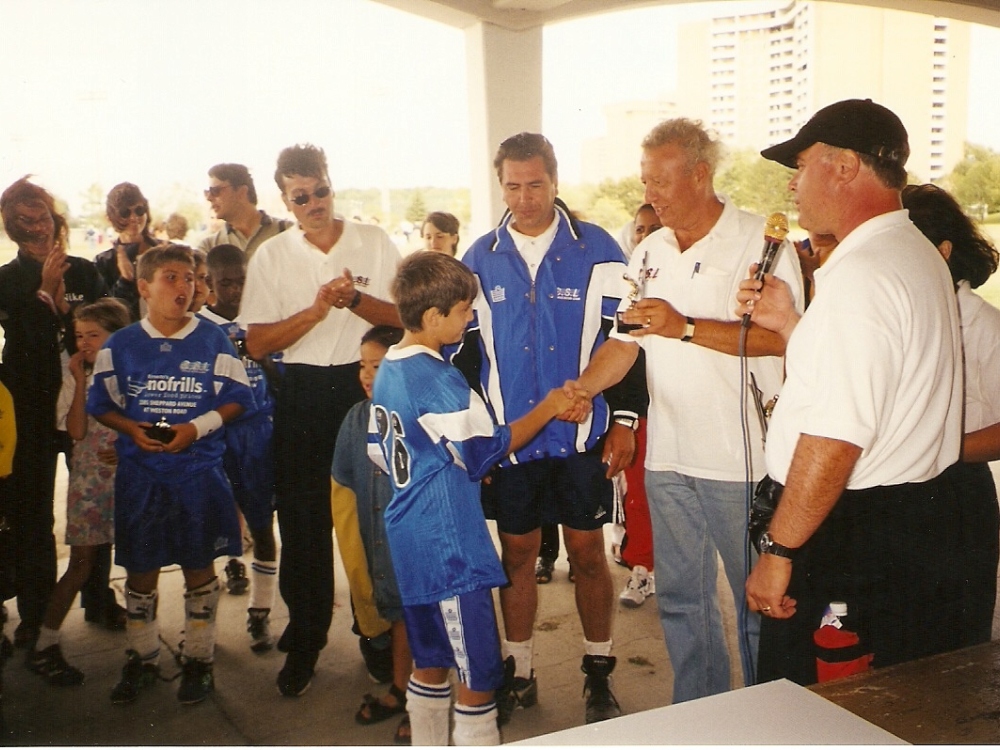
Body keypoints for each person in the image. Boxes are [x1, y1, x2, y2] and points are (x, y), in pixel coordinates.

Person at [570, 119, 803, 703]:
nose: (650, 194)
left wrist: (686, 327)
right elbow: (625, 342)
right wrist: (583, 389)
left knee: (755, 604)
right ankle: (698, 716)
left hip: (740, 462)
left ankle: (764, 719)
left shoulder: (759, 242)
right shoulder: (649, 249)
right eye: (645, 181)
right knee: (680, 602)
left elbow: (782, 340)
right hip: (667, 458)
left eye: (661, 181)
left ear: (700, 175)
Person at [736, 99, 964, 686]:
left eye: (801, 165)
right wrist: (792, 326)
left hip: (849, 536)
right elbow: (872, 383)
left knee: (810, 706)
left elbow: (836, 437)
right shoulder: (910, 252)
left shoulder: (863, 275)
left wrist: (779, 552)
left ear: (843, 167)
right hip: (901, 523)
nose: (793, 184)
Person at [457, 132, 644, 724]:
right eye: (512, 186)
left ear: (555, 181)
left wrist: (625, 419)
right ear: (500, 186)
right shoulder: (479, 258)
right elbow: (463, 356)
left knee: (588, 553)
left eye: (535, 184)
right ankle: (520, 670)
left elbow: (628, 338)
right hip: (512, 441)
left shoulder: (600, 250)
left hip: (581, 438)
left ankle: (598, 670)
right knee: (517, 554)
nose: (524, 198)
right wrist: (476, 440)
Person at [370, 251, 582, 745]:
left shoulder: (388, 368)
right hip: (449, 547)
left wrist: (447, 464)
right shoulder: (438, 377)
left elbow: (382, 453)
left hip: (409, 535)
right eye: (465, 310)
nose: (470, 318)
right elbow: (487, 450)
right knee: (479, 674)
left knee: (430, 661)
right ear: (433, 317)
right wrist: (549, 406)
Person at [238, 143, 402, 697]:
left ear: (332, 185)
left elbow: (404, 318)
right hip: (303, 393)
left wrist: (354, 300)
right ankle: (306, 637)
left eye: (320, 191)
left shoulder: (373, 240)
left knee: (371, 521)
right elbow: (257, 342)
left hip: (365, 388)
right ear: (285, 201)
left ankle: (376, 635)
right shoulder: (272, 255)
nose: (314, 204)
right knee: (304, 524)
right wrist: (314, 311)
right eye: (300, 197)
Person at [87, 244, 256, 705]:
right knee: (141, 570)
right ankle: (141, 657)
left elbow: (239, 399)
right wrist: (132, 430)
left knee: (198, 565)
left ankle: (199, 659)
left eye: (190, 278)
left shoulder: (212, 339)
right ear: (144, 287)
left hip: (197, 473)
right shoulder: (121, 345)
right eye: (171, 277)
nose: (184, 287)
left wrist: (194, 429)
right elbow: (101, 405)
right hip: (141, 477)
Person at [0, 177, 109, 649]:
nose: (36, 227)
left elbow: (106, 331)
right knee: (33, 514)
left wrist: (64, 308)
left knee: (96, 506)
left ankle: (99, 598)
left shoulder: (84, 271)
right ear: (11, 228)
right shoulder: (6, 280)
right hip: (30, 409)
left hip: (84, 406)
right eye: (23, 221)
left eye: (41, 216)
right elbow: (23, 338)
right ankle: (36, 612)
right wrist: (45, 293)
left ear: (54, 217)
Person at [901, 184, 1000, 646]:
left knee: (954, 647)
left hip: (958, 497)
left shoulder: (984, 325)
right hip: (899, 491)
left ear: (943, 251)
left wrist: (938, 449)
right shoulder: (901, 317)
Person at [26, 299, 131, 686]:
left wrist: (126, 446)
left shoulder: (133, 373)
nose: (84, 343)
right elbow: (75, 430)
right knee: (82, 563)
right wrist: (82, 381)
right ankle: (45, 643)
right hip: (89, 481)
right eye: (79, 336)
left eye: (93, 336)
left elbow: (149, 420)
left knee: (140, 559)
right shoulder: (76, 376)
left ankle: (144, 644)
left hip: (131, 477)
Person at [331, 324, 412, 745]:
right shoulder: (355, 418)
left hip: (414, 543)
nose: (366, 375)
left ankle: (423, 703)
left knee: (421, 619)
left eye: (377, 366)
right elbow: (343, 482)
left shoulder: (417, 416)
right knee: (398, 615)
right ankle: (401, 688)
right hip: (377, 542)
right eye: (362, 365)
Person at [198, 244, 280, 651]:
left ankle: (260, 612)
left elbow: (281, 378)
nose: (234, 290)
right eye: (225, 283)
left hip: (258, 435)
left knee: (263, 524)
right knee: (207, 530)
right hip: (213, 436)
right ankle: (201, 627)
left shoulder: (263, 320)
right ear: (209, 283)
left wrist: (261, 357)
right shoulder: (198, 328)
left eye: (241, 281)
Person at [615, 204, 661, 610]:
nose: (645, 236)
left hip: (682, 409)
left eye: (654, 228)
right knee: (639, 495)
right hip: (641, 407)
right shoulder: (629, 284)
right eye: (640, 229)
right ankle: (641, 566)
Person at [93, 182, 160, 321]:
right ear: (111, 217)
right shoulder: (103, 262)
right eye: (125, 213)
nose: (134, 218)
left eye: (139, 210)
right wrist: (125, 281)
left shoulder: (166, 251)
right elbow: (107, 315)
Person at [198, 163, 292, 260]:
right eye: (207, 192)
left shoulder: (288, 231)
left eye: (215, 191)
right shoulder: (209, 248)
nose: (209, 198)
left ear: (242, 191)